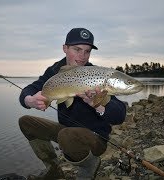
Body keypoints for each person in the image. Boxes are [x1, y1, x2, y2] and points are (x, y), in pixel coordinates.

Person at [18, 27, 127, 180]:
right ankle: (53, 169)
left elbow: (120, 115)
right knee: (26, 122)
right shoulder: (55, 70)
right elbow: (30, 89)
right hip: (67, 131)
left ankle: (89, 164)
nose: (82, 56)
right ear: (65, 48)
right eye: (77, 49)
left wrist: (98, 104)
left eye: (87, 51)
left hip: (95, 139)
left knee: (66, 135)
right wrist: (29, 100)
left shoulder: (96, 75)